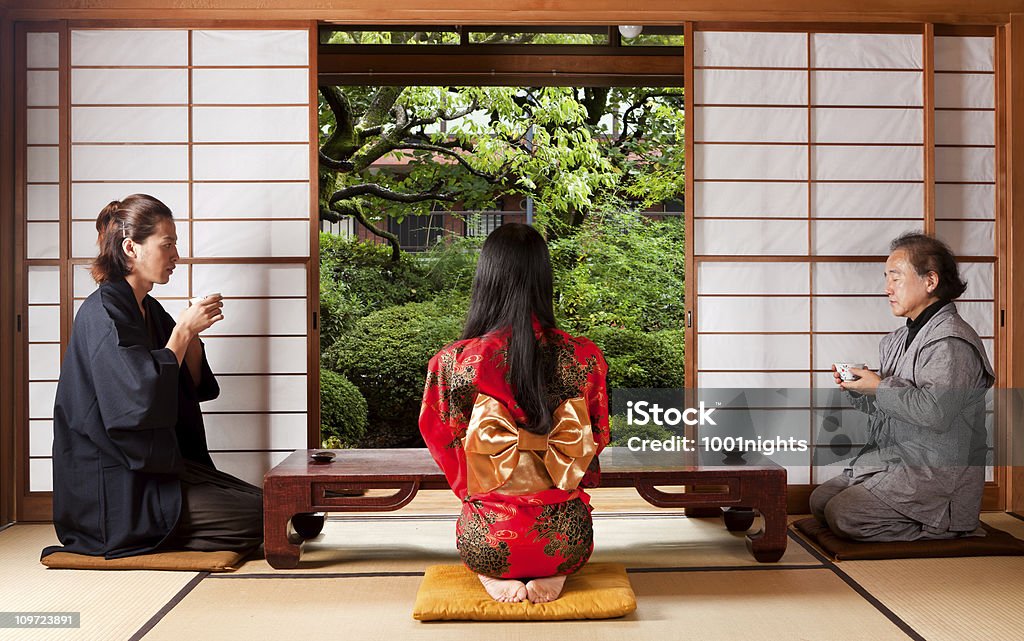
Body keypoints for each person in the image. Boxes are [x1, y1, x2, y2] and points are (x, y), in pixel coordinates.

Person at [43, 194, 263, 560]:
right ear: (131, 248)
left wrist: (190, 335)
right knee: (259, 518)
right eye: (168, 244)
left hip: (154, 468)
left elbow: (187, 386)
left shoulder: (148, 308)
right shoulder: (104, 314)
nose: (176, 255)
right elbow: (137, 398)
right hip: (113, 486)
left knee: (277, 507)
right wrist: (180, 332)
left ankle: (179, 528)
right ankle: (156, 537)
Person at [419, 223, 609, 604]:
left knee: (483, 526)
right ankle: (554, 569)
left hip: (487, 536)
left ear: (486, 280)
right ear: (544, 280)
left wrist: (477, 492)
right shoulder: (585, 357)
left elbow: (442, 440)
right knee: (564, 528)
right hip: (565, 537)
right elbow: (597, 436)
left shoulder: (454, 362)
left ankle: (494, 571)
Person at [811, 232, 994, 541]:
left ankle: (944, 525)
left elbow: (936, 413)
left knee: (843, 515)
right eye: (887, 278)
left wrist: (879, 387)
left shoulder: (951, 342)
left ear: (930, 281)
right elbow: (892, 406)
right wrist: (861, 390)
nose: (887, 288)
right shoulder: (897, 340)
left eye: (895, 278)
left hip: (936, 473)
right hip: (897, 458)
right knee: (819, 502)